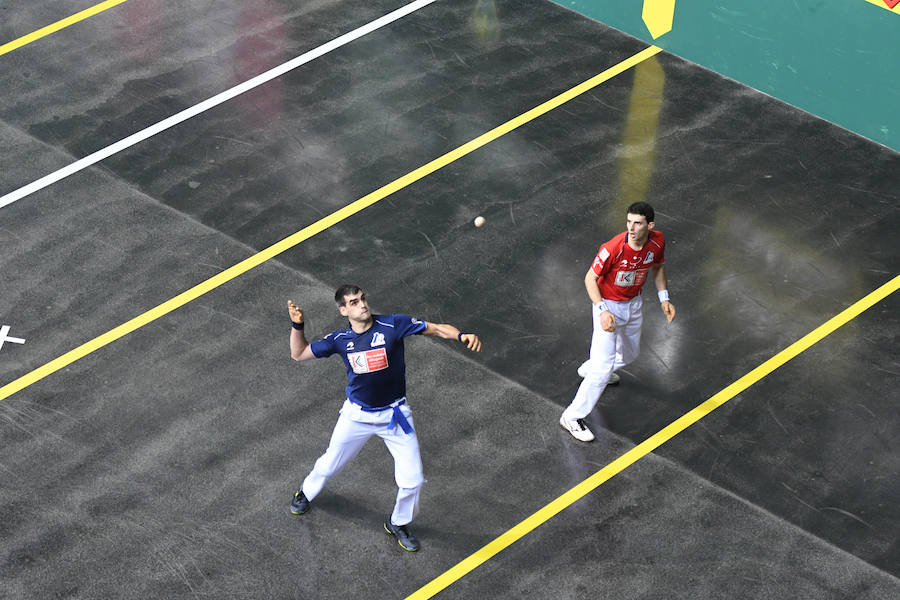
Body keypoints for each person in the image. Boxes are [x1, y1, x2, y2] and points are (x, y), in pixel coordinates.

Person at [286, 285, 482, 551]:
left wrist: (461, 335)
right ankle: (305, 493)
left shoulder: (393, 325)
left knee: (412, 480)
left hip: (395, 415)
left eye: (363, 299)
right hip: (357, 416)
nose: (362, 305)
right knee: (330, 463)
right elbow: (298, 354)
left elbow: (435, 328)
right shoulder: (340, 340)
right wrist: (298, 326)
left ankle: (398, 522)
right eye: (354, 302)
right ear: (343, 310)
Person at [560, 202, 675, 442]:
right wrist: (602, 310)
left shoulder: (657, 241)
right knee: (603, 370)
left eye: (637, 223)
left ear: (650, 225)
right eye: (628, 222)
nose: (631, 228)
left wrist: (664, 298)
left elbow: (658, 268)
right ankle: (571, 416)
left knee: (630, 355)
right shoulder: (613, 248)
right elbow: (590, 279)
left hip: (634, 304)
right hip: (608, 306)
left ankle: (591, 368)